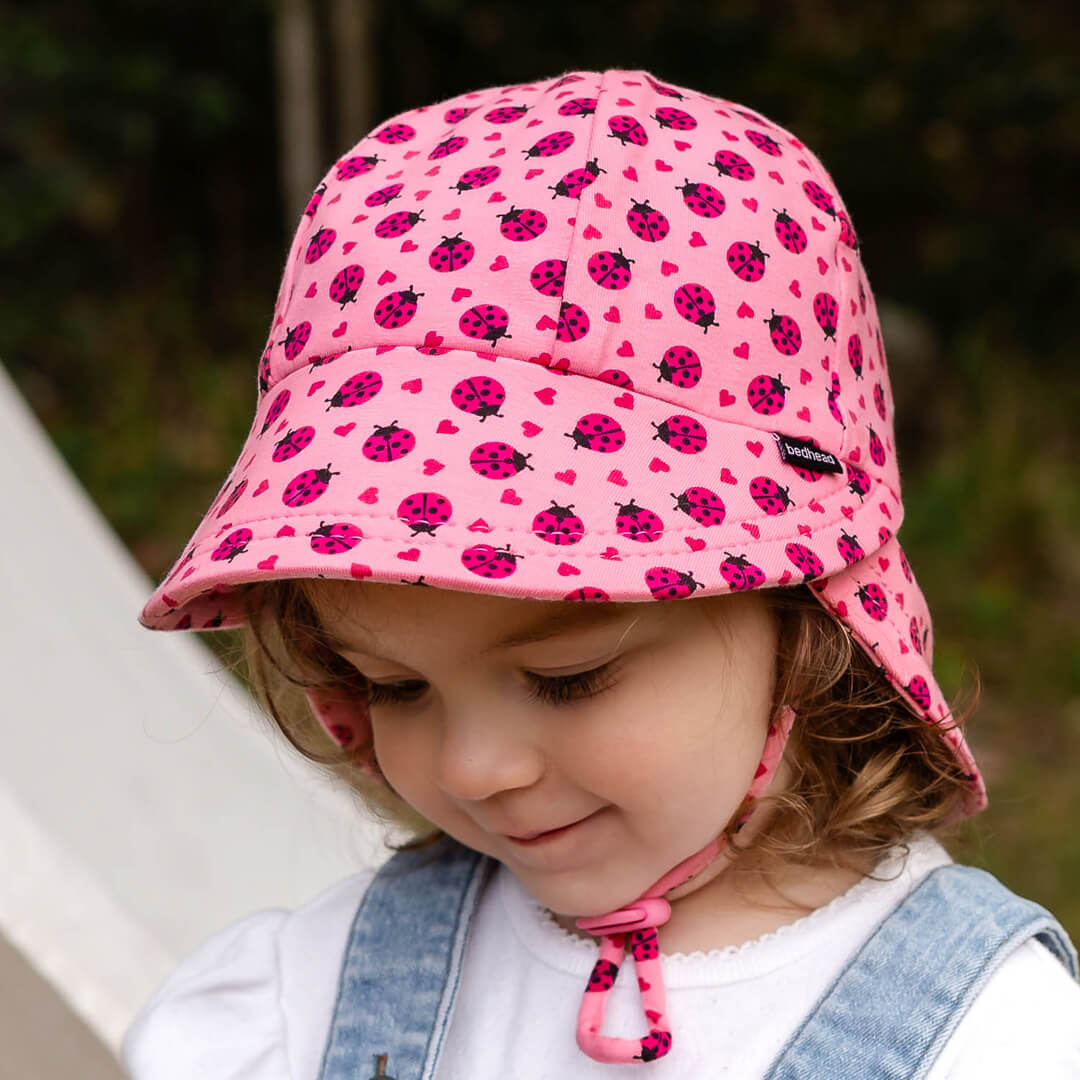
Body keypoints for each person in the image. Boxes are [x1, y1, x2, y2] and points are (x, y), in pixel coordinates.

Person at [122, 68, 1080, 1078]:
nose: (475, 770)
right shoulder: (306, 1001)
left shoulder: (993, 1042)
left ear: (810, 617)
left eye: (568, 678)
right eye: (394, 687)